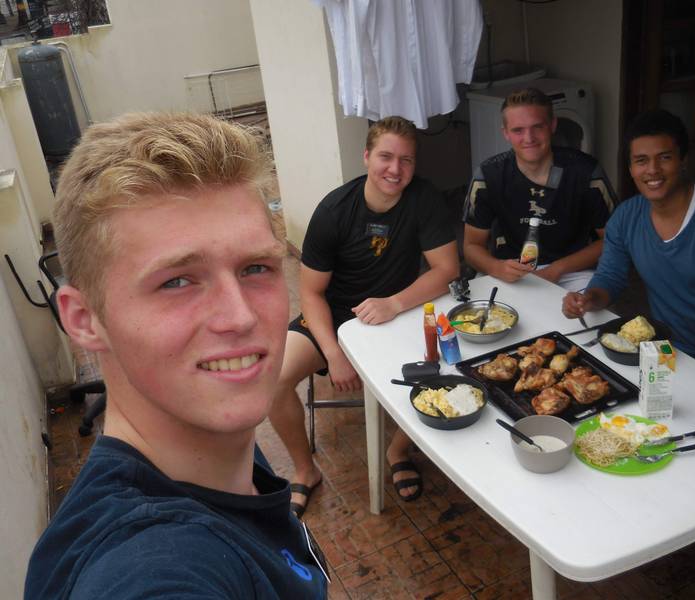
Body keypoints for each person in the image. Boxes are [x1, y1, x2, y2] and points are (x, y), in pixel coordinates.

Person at [25, 113, 328, 598]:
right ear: (83, 319)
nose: (240, 316)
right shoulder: (146, 567)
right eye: (177, 281)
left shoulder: (216, 443)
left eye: (256, 267)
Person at [270, 116, 459, 517]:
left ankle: (397, 450)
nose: (395, 169)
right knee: (272, 380)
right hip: (335, 315)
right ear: (367, 156)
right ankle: (305, 470)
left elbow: (447, 271)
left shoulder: (424, 199)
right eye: (386, 157)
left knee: (444, 363)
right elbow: (311, 292)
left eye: (406, 160)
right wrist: (334, 352)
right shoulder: (335, 209)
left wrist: (394, 303)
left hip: (396, 312)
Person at [562, 108, 695, 403]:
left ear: (683, 160)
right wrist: (588, 299)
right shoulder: (626, 217)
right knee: (603, 401)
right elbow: (610, 276)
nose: (652, 170)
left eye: (664, 157)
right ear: (630, 167)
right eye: (641, 160)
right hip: (665, 348)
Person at [463, 87, 617, 291]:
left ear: (552, 125)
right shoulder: (488, 175)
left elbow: (613, 240)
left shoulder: (586, 172)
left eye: (537, 127)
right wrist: (496, 267)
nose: (529, 138)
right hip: (509, 268)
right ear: (506, 133)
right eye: (518, 130)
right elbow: (471, 246)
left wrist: (557, 269)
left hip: (572, 271)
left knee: (590, 309)